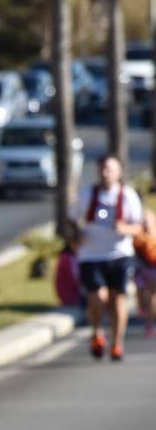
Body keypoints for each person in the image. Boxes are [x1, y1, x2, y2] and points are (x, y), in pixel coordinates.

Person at [70, 153, 145, 361]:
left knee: (117, 299)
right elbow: (72, 220)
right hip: (91, 255)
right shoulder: (87, 195)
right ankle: (96, 333)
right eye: (102, 169)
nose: (105, 173)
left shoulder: (128, 196)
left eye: (109, 169)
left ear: (118, 172)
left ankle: (117, 343)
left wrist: (125, 229)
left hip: (119, 254)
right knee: (97, 297)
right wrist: (77, 237)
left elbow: (139, 227)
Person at [135, 209, 156, 338]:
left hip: (152, 270)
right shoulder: (139, 237)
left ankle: (151, 323)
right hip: (142, 271)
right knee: (145, 298)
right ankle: (149, 322)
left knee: (151, 297)